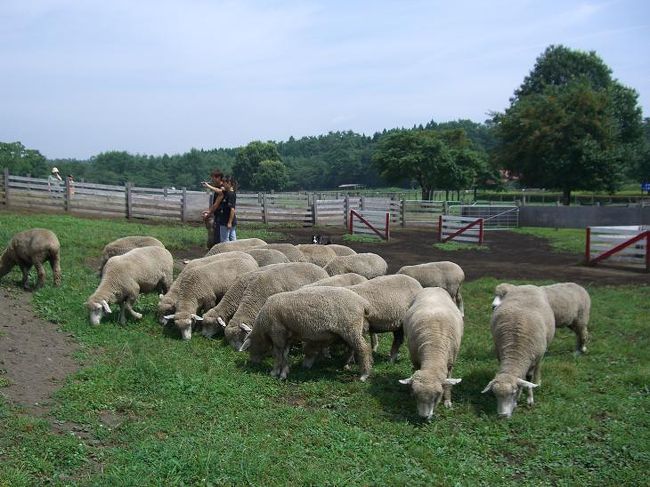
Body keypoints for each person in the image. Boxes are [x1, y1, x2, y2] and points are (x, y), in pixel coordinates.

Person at [202, 169, 225, 248]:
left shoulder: (222, 188)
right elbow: (215, 204)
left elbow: (216, 204)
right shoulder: (218, 187)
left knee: (218, 236)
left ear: (218, 178)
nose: (212, 180)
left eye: (213, 178)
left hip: (222, 215)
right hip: (218, 214)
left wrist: (209, 213)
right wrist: (209, 211)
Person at [217, 176, 237, 242]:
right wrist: (208, 186)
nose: (223, 184)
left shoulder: (231, 194)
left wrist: (229, 222)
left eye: (224, 182)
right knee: (232, 238)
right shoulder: (227, 192)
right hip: (226, 220)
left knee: (225, 240)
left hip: (226, 221)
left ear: (229, 183)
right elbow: (219, 190)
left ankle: (227, 251)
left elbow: (232, 209)